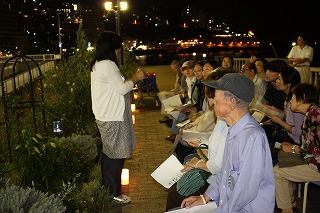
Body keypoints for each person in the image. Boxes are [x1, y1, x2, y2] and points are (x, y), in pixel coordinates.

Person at [180, 73, 275, 212]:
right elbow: (224, 173)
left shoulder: (252, 137)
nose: (213, 102)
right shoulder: (234, 129)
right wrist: (205, 197)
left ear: (231, 102)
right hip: (229, 205)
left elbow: (244, 192)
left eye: (217, 98)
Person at [90, 31, 145, 204]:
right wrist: (135, 78)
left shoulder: (98, 64)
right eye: (118, 48)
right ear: (111, 48)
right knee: (116, 156)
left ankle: (108, 189)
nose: (119, 51)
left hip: (107, 115)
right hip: (113, 116)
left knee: (109, 154)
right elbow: (122, 89)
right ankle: (115, 193)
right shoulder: (107, 64)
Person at [274, 83, 320, 213]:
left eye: (293, 97)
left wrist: (294, 149)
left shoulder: (315, 115)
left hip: (317, 165)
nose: (290, 101)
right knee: (282, 161)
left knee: (277, 172)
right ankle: (290, 203)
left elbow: (315, 148)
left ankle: (287, 209)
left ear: (303, 97)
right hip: (314, 159)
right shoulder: (312, 112)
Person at [266, 66, 303, 165]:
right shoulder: (288, 98)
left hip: (294, 142)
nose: (276, 81)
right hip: (287, 136)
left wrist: (278, 121)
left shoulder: (296, 103)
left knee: (267, 148)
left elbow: (298, 132)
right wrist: (277, 112)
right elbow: (289, 119)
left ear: (288, 84)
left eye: (279, 79)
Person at [158, 59, 188, 124]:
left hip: (181, 94)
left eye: (174, 69)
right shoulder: (178, 75)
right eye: (172, 69)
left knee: (164, 96)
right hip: (177, 92)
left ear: (179, 67)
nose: (173, 71)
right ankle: (168, 116)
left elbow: (183, 89)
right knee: (161, 94)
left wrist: (178, 93)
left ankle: (168, 116)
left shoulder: (183, 76)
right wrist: (172, 91)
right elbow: (176, 88)